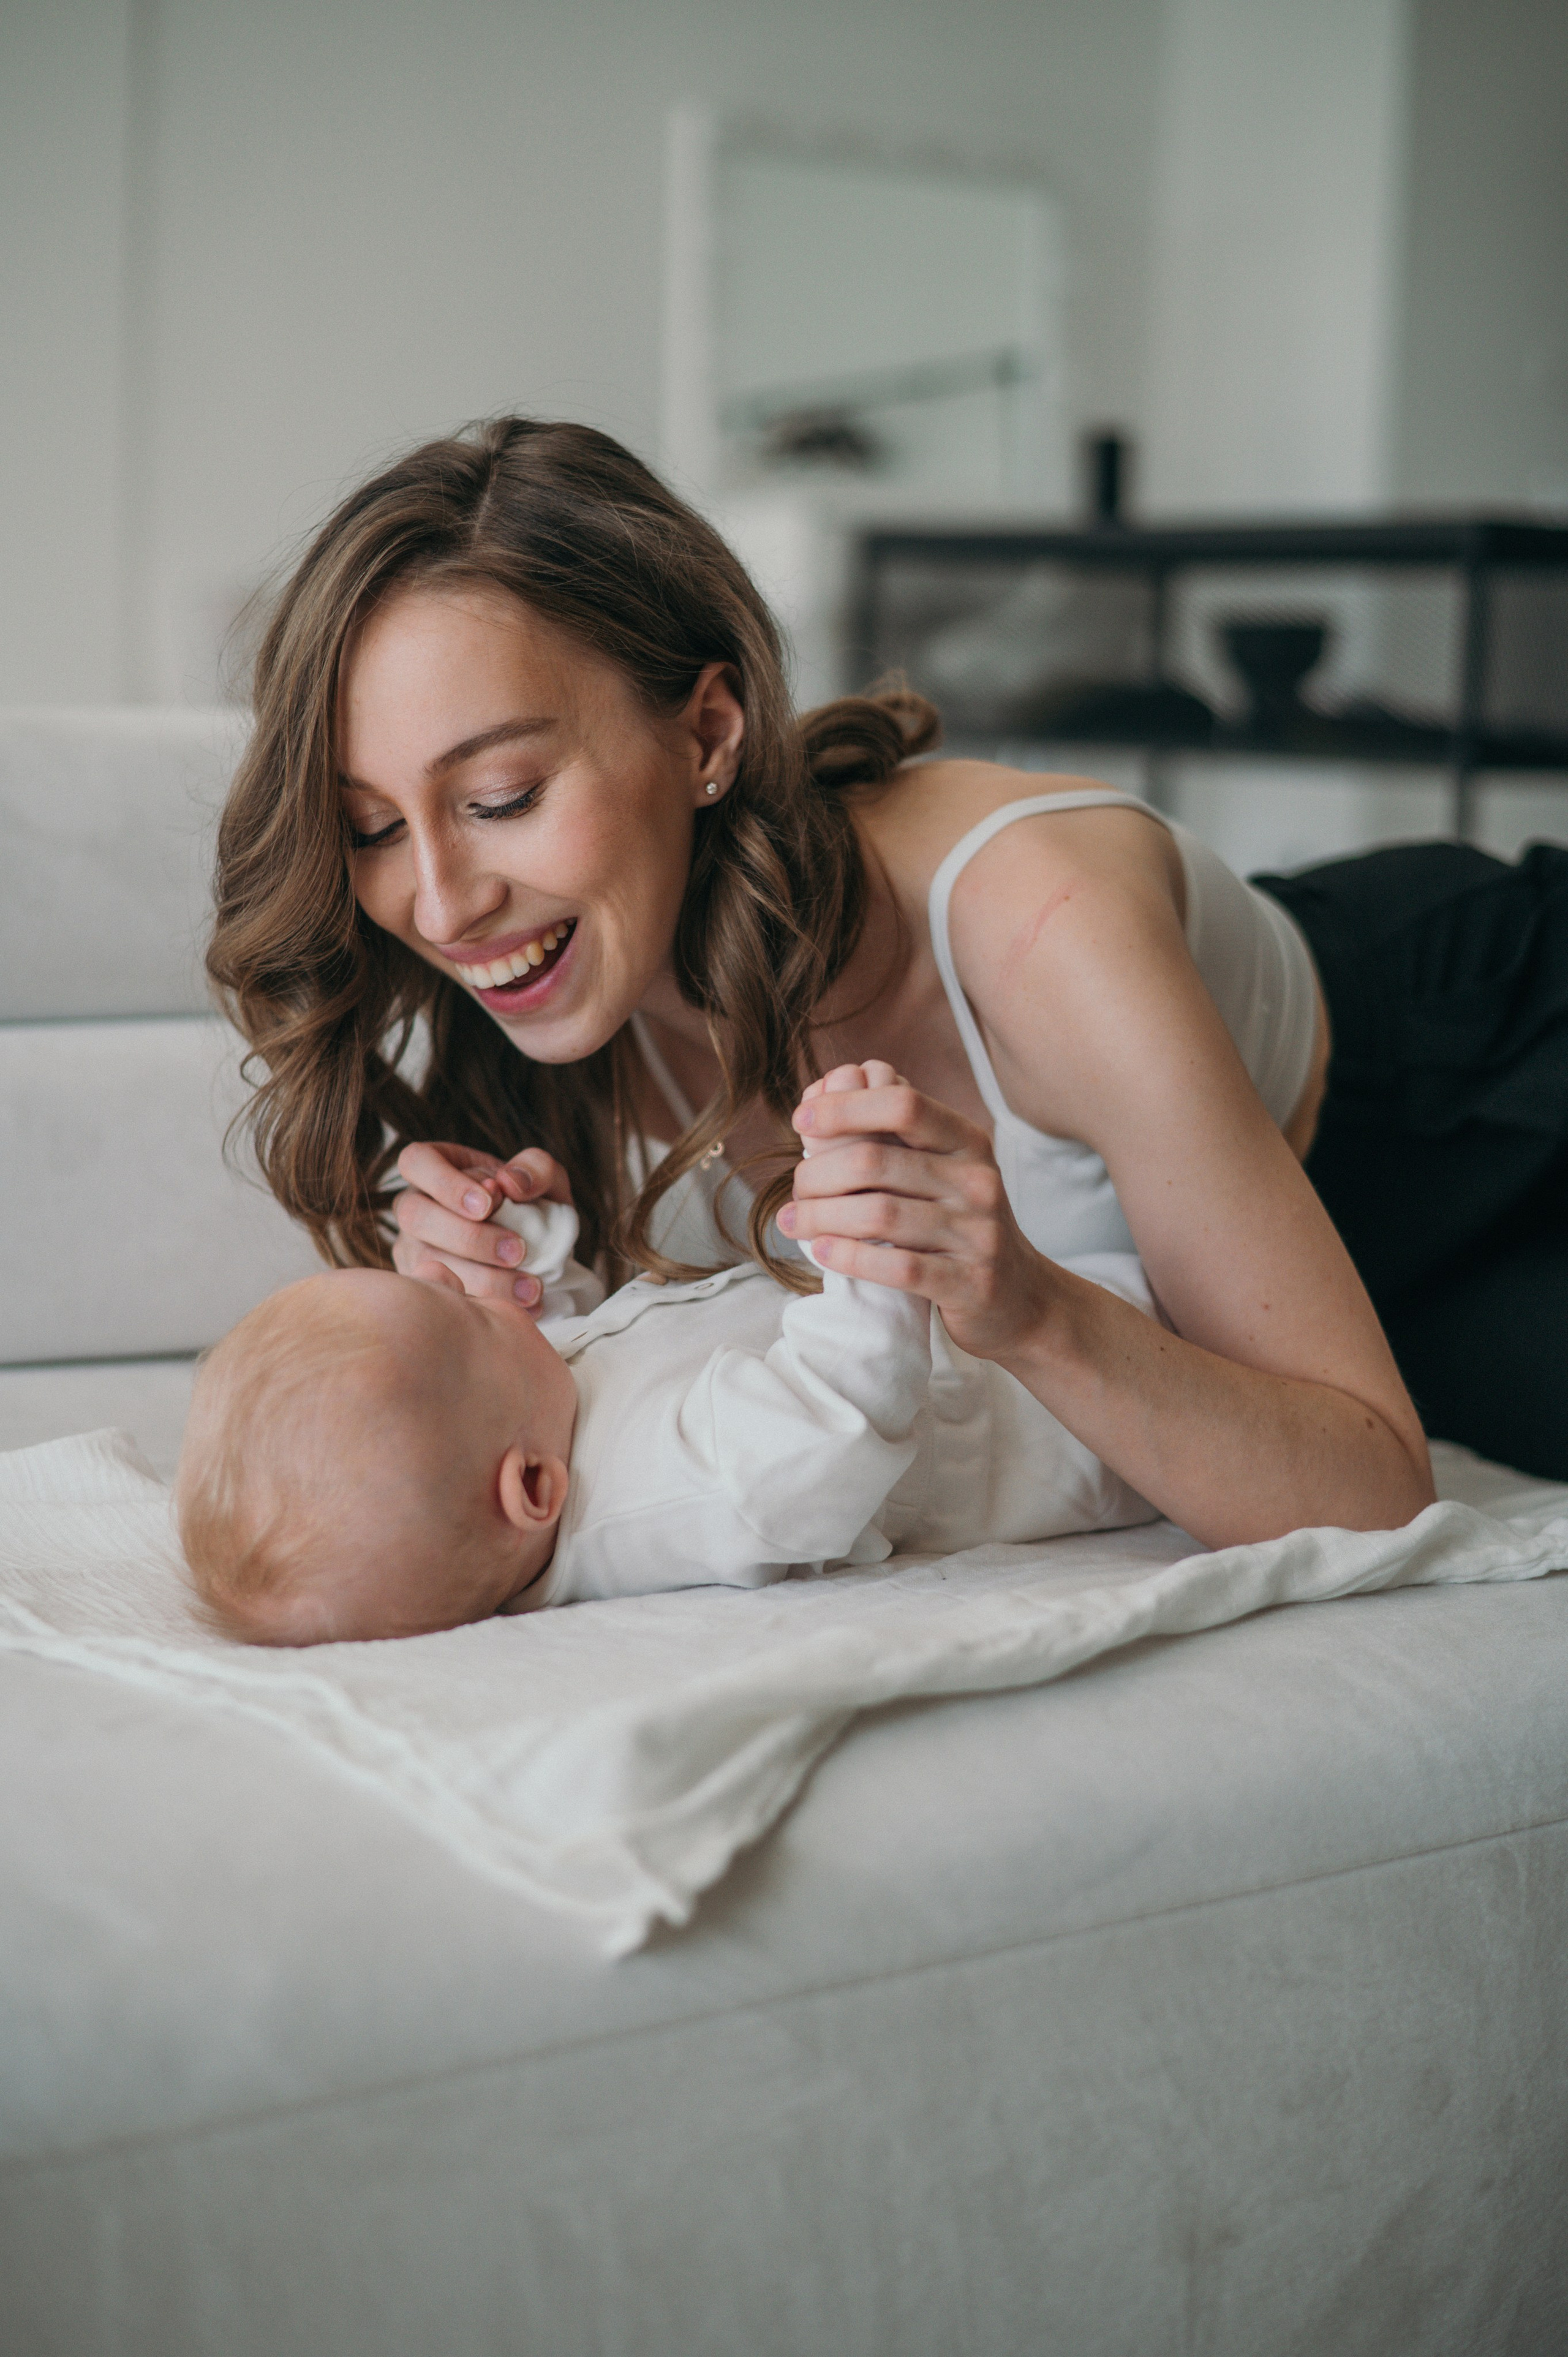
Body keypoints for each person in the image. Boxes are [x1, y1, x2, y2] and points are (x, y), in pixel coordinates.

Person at [203, 415, 1562, 1544]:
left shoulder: (1039, 927)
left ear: (709, 732)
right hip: (1305, 1279)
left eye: (500, 794)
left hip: (1478, 1068)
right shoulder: (545, 986)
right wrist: (474, 1290)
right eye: (373, 825)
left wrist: (1026, 1308)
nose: (437, 902)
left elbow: (1376, 1496)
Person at [176, 1063, 1158, 1646]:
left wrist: (529, 1252)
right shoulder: (666, 1501)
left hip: (1069, 1318)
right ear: (530, 1490)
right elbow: (830, 1433)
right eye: (466, 1318)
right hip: (1090, 1429)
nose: (459, 1288)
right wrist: (861, 1241)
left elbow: (580, 1347)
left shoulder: (532, 1434)